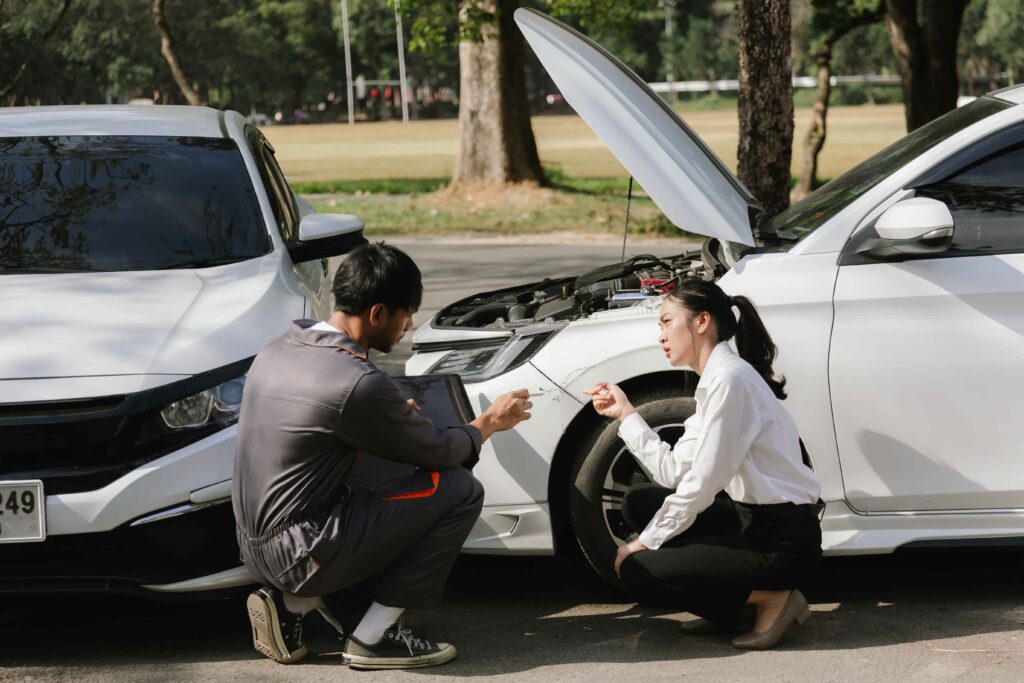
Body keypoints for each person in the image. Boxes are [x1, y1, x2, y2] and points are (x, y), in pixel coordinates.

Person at [232, 242, 532, 669]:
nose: (408, 326)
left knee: (381, 474)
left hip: (252, 545)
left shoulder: (279, 349)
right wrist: (489, 423)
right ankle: (374, 636)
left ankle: (297, 604)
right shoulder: (356, 381)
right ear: (376, 314)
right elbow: (440, 451)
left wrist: (388, 422)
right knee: (459, 489)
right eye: (406, 315)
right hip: (301, 551)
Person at [585, 278, 822, 650]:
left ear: (701, 322)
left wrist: (644, 543)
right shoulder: (714, 380)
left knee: (637, 569)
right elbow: (674, 472)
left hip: (782, 541)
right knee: (639, 503)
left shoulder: (730, 381)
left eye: (666, 321)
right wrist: (626, 414)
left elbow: (703, 481)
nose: (661, 335)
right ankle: (732, 610)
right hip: (750, 520)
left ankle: (772, 598)